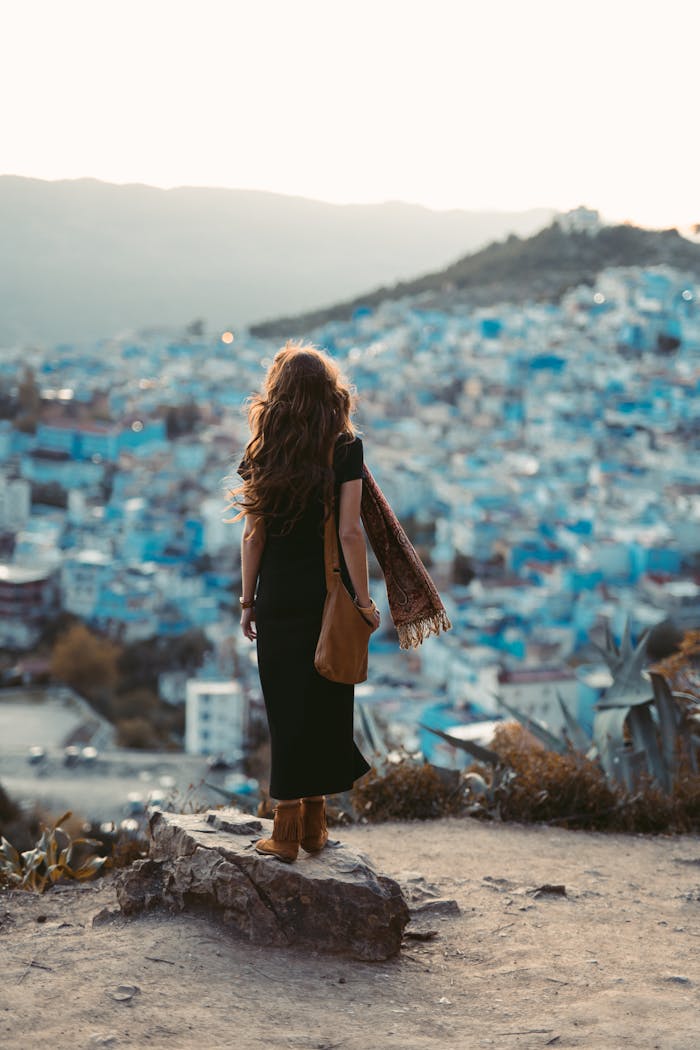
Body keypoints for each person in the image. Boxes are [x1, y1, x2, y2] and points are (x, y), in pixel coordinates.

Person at [229, 341, 381, 863]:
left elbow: (253, 537)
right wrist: (362, 601)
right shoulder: (345, 449)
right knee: (327, 703)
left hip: (278, 598)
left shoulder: (262, 451)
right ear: (329, 394)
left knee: (286, 708)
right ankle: (312, 826)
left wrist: (248, 601)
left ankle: (289, 830)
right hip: (328, 597)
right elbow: (351, 532)